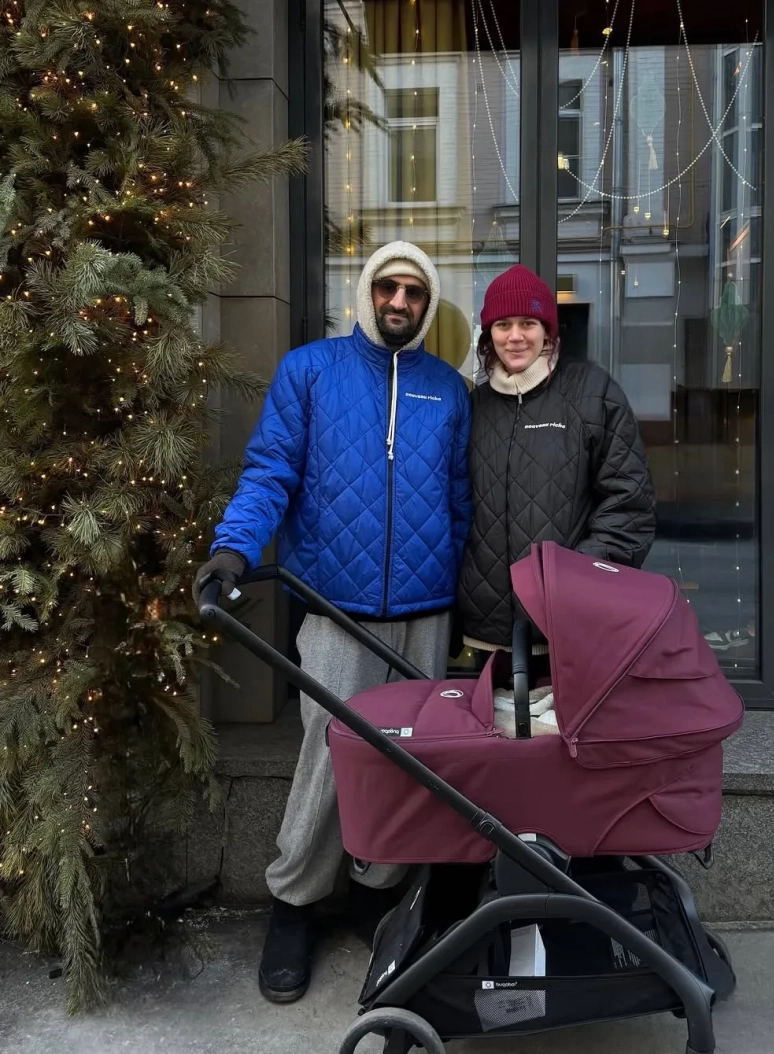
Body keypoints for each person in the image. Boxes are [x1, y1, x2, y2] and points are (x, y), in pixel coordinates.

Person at [193, 241, 471, 1004]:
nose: (400, 301)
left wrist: (467, 599)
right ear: (367, 291)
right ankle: (294, 901)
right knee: (329, 753)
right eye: (388, 286)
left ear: (427, 304)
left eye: (415, 291)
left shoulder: (448, 390)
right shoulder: (310, 372)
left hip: (425, 611)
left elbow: (460, 501)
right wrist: (233, 550)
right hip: (336, 608)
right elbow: (270, 471)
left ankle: (376, 891)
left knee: (404, 759)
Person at [458, 264, 656, 662]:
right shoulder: (474, 406)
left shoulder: (593, 395)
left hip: (568, 625)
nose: (515, 336)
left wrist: (577, 577)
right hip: (485, 630)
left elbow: (629, 504)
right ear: (489, 333)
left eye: (528, 323)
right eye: (503, 325)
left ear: (547, 330)